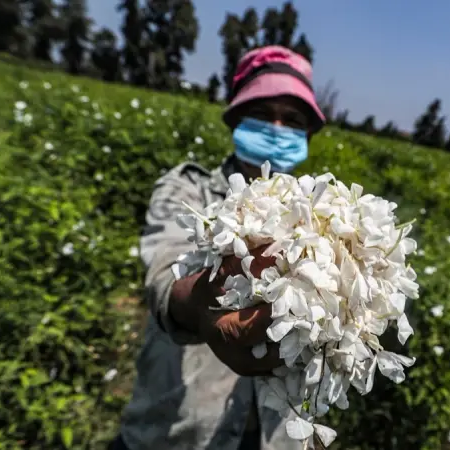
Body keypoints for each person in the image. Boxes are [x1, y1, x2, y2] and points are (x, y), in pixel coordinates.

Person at [109, 45, 326, 450]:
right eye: (262, 115)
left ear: (307, 135)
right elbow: (164, 271)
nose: (277, 128)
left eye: (292, 120)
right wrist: (200, 303)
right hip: (178, 432)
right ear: (235, 120)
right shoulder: (189, 190)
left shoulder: (321, 214)